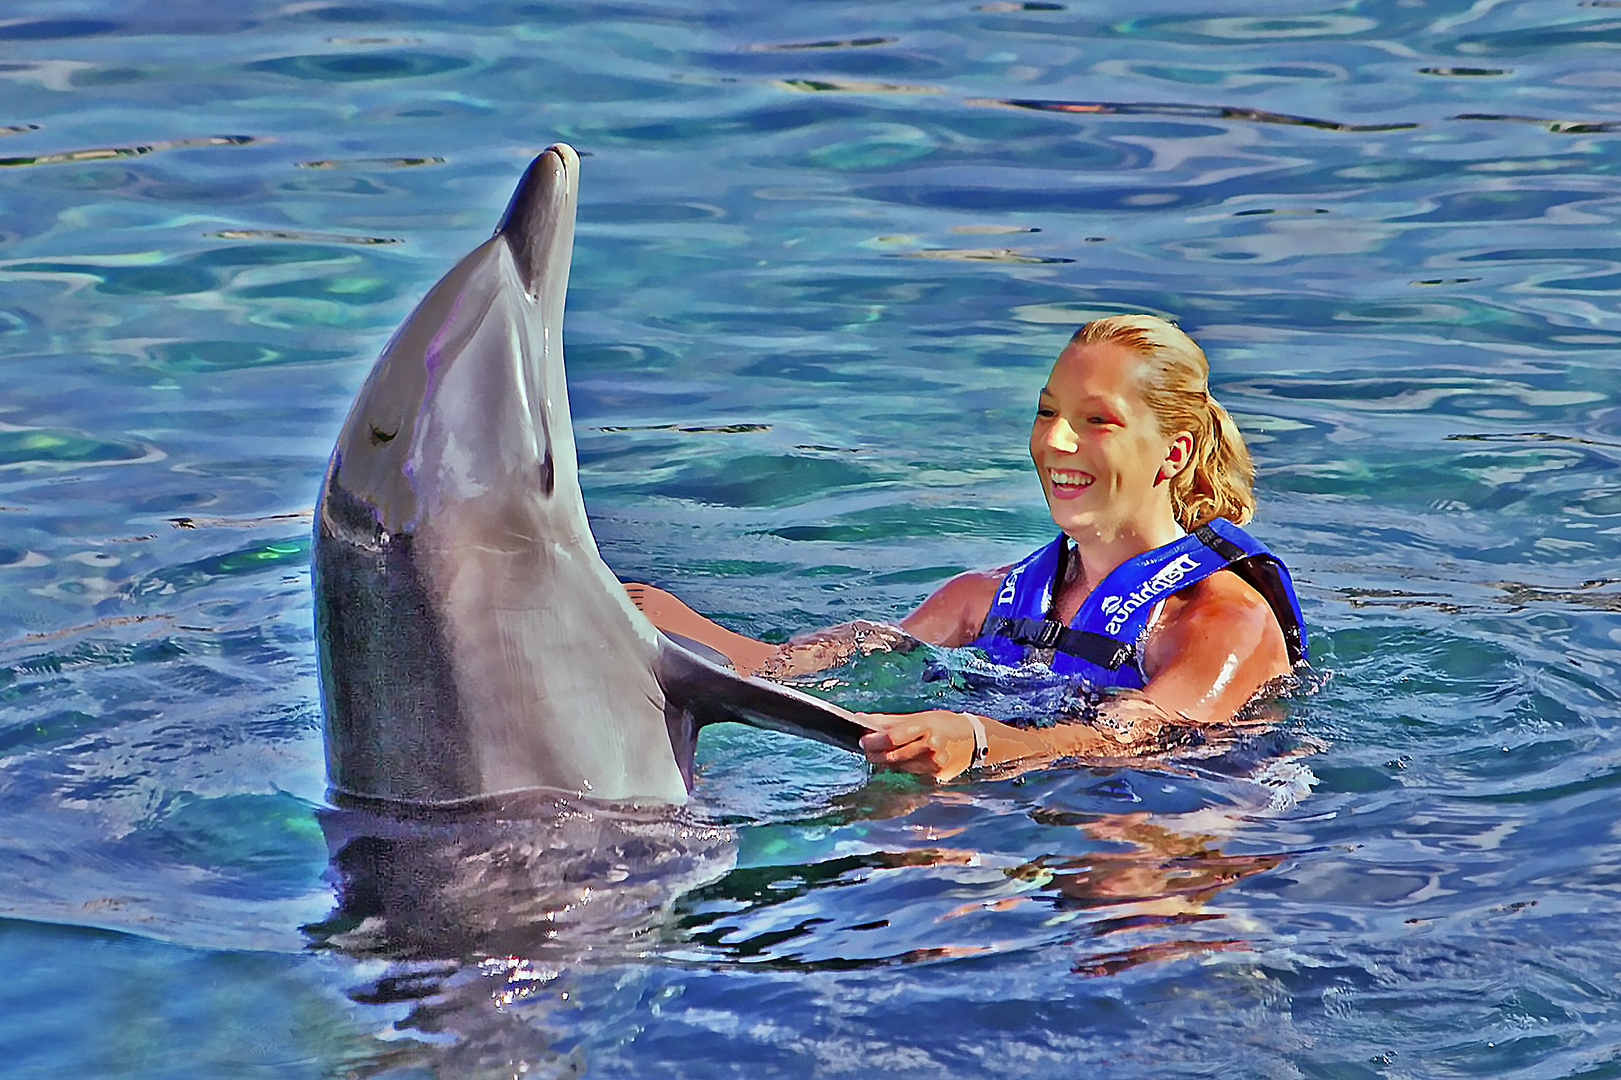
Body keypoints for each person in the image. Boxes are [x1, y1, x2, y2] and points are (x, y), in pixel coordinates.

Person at [627, 314, 1307, 783]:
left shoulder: (1219, 623)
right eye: (1047, 412)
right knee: (892, 817)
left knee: (1119, 867)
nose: (1055, 443)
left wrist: (977, 742)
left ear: (1173, 452)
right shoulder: (979, 600)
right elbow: (791, 673)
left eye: (1096, 421)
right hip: (1017, 789)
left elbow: (1135, 741)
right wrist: (662, 619)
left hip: (1179, 808)